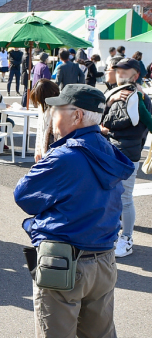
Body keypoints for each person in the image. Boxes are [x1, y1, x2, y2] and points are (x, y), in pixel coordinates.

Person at [14, 84, 134, 338]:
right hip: (104, 259)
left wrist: (34, 227)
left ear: (77, 115)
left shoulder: (64, 156)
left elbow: (24, 196)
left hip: (63, 260)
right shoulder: (108, 149)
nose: (52, 115)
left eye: (57, 109)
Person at [100, 58, 151, 259]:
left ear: (136, 74)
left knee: (125, 197)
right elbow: (99, 118)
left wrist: (109, 128)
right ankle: (112, 234)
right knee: (109, 195)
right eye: (117, 69)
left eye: (125, 69)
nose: (119, 72)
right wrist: (110, 102)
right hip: (109, 150)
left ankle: (126, 238)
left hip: (127, 153)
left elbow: (141, 126)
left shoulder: (140, 96)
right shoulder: (112, 93)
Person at [30, 79, 61, 163]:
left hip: (54, 147)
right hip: (47, 146)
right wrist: (38, 150)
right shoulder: (43, 106)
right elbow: (40, 129)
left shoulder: (60, 108)